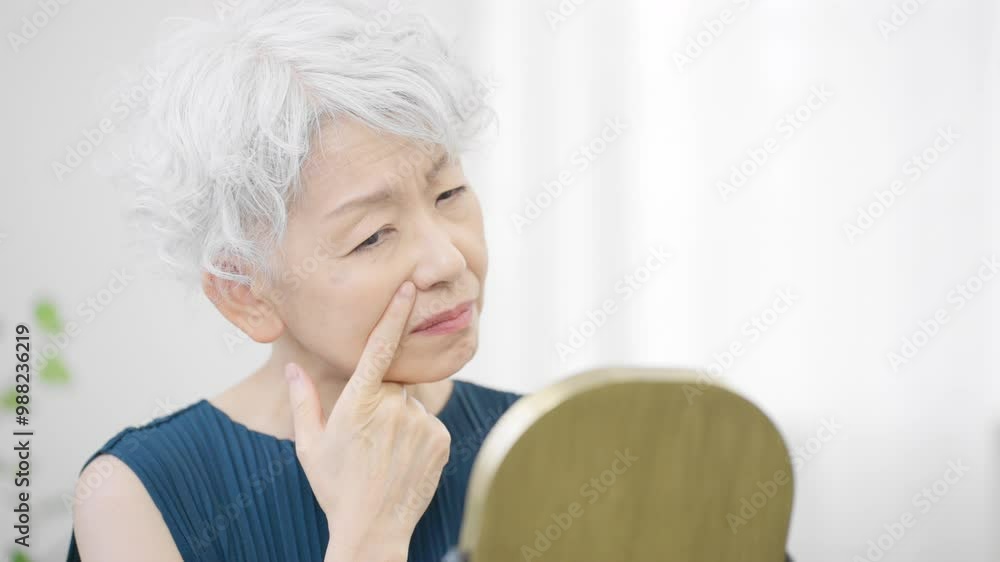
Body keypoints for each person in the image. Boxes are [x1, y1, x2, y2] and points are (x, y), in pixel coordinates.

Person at [66, 1, 520, 560]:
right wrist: (371, 537)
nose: (447, 261)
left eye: (449, 194)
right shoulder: (133, 495)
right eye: (372, 235)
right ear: (245, 292)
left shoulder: (557, 439)